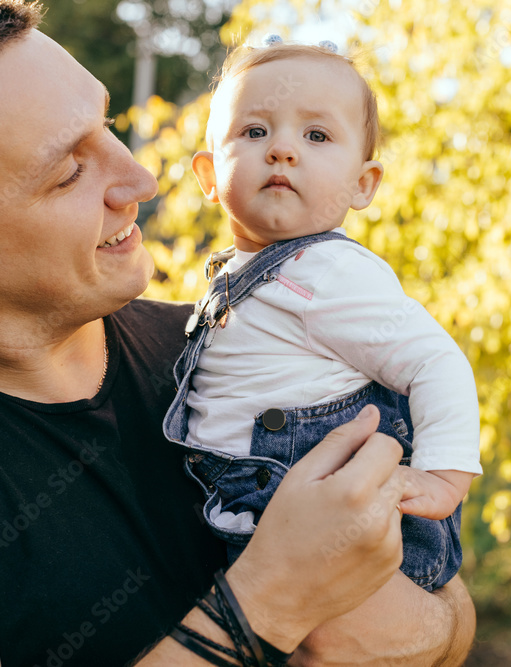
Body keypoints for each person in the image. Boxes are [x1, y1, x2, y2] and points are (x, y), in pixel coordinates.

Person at [0, 1, 476, 665]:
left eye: (108, 124)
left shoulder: (222, 351)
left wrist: (427, 629)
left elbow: (447, 609)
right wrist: (267, 608)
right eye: (68, 172)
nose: (139, 179)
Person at [162, 37, 482, 628]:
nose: (282, 149)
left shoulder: (330, 272)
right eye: (254, 132)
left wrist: (442, 474)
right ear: (208, 175)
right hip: (255, 518)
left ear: (364, 184)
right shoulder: (241, 275)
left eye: (316, 137)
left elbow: (437, 362)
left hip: (326, 530)